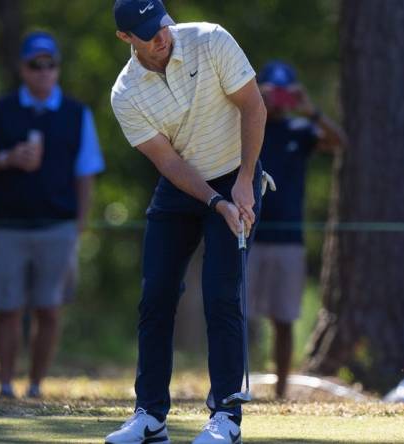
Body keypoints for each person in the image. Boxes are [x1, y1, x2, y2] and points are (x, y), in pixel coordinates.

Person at [105, 1, 265, 443]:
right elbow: (169, 163)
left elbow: (254, 108)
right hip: (182, 185)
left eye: (161, 25)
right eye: (146, 32)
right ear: (125, 38)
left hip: (237, 172)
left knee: (220, 294)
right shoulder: (126, 92)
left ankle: (227, 416)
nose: (160, 36)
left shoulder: (210, 40)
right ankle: (150, 414)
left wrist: (245, 183)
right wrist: (215, 202)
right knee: (155, 294)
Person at [0, 31, 104, 399]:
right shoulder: (0, 109)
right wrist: (6, 159)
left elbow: (86, 173)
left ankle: (36, 386)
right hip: (8, 225)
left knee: (50, 309)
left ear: (57, 68)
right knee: (8, 308)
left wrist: (80, 226)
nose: (43, 71)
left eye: (50, 64)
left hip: (58, 226)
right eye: (35, 65)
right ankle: (6, 385)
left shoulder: (77, 114)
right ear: (23, 69)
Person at [248, 61, 346, 399]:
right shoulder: (245, 125)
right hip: (247, 235)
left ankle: (280, 391)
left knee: (283, 319)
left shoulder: (299, 131)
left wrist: (310, 110)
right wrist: (252, 101)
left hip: (289, 240)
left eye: (282, 93)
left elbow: (339, 141)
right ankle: (232, 384)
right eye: (270, 91)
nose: (276, 99)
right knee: (236, 314)